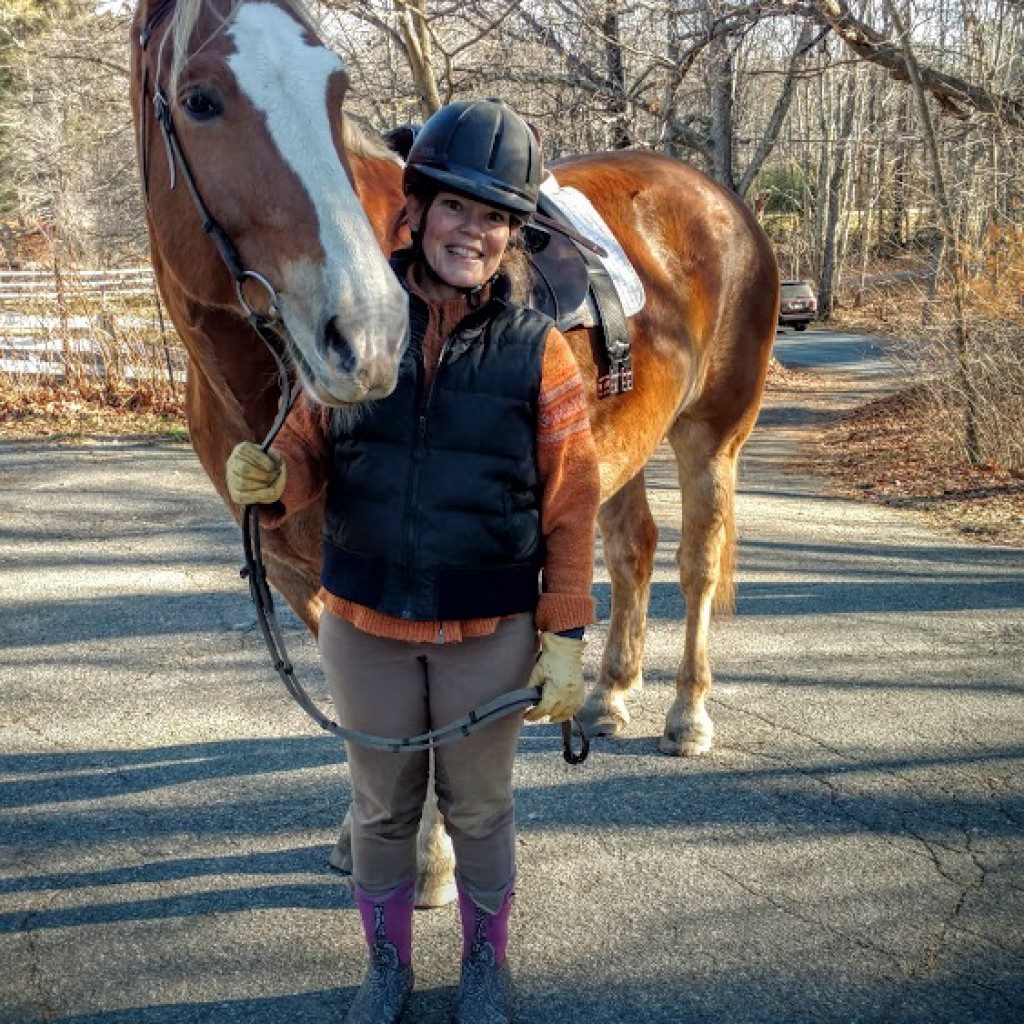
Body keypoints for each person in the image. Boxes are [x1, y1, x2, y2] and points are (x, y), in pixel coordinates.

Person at [225, 98, 601, 1024]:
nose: (473, 231)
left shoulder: (538, 353)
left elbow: (572, 500)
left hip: (488, 630)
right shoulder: (357, 326)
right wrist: (274, 482)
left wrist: (565, 630)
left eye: (495, 217)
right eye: (457, 208)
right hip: (364, 624)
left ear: (513, 237)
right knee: (382, 811)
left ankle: (484, 964)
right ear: (421, 207)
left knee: (479, 811)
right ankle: (385, 964)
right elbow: (313, 454)